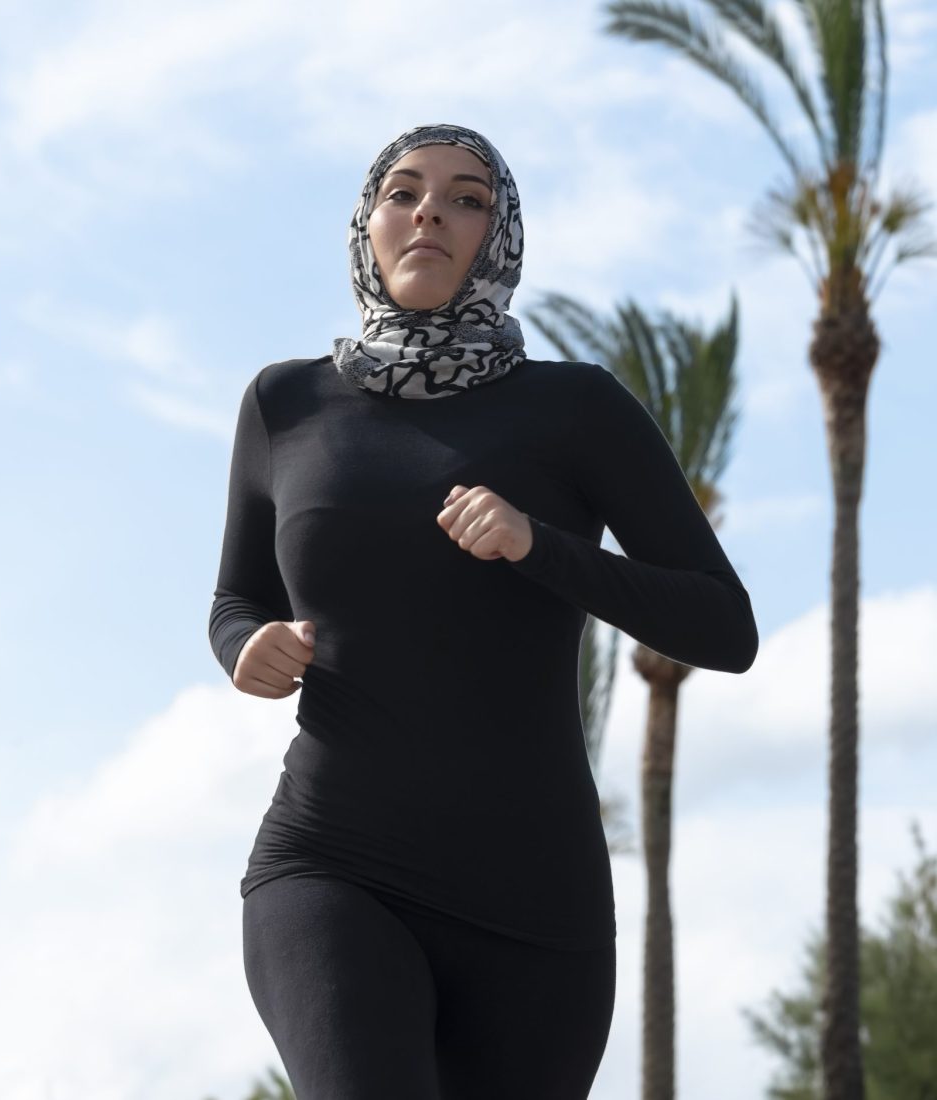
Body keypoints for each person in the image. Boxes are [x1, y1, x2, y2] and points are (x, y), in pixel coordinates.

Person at [208, 122, 759, 1100]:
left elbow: (724, 626)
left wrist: (539, 545)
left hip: (535, 904)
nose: (430, 210)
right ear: (366, 224)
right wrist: (244, 643)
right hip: (333, 859)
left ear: (498, 237)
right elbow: (237, 594)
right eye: (403, 190)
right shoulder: (283, 403)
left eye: (467, 197)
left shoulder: (576, 407)